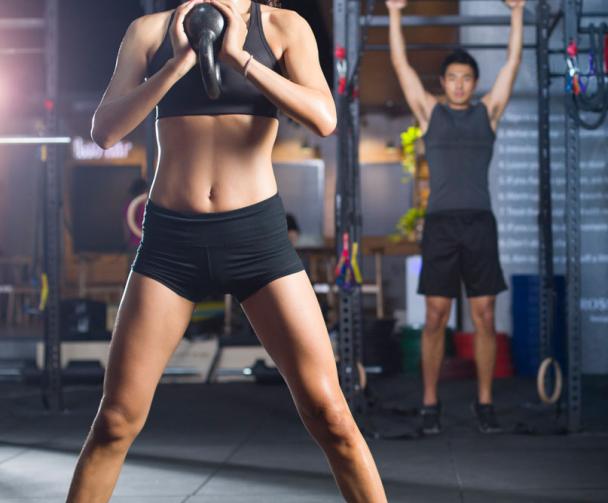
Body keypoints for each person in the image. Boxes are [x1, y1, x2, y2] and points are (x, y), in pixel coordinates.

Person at [67, 1, 386, 502]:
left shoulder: (284, 27)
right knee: (114, 421)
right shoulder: (150, 31)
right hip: (172, 243)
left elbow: (325, 119)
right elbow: (105, 130)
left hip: (256, 237)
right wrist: (177, 64)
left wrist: (240, 59)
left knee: (332, 416)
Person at [387, 0, 524, 435]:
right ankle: (430, 403)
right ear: (443, 83)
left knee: (484, 316)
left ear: (474, 83)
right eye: (453, 78)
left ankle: (484, 404)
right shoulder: (431, 112)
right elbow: (400, 64)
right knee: (434, 317)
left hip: (480, 223)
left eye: (467, 78)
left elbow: (513, 63)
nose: (460, 84)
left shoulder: (489, 112)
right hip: (442, 225)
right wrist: (393, 11)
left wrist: (517, 12)